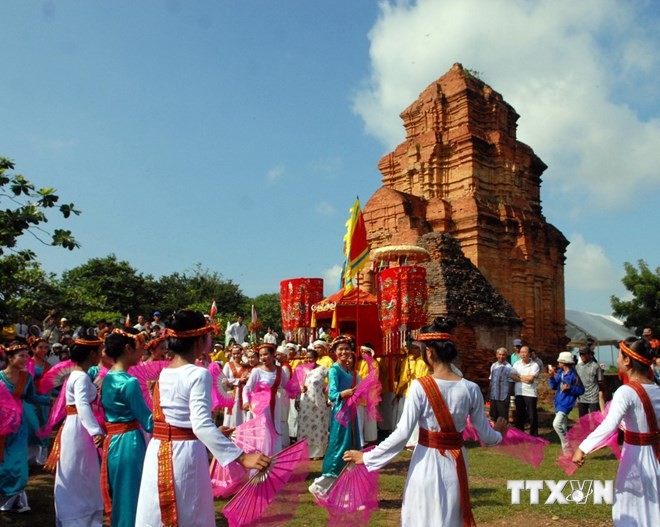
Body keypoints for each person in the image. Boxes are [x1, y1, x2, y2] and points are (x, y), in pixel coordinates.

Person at [344, 318, 508, 527]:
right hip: (456, 464)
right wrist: (499, 433)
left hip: (426, 462)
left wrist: (368, 457)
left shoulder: (420, 387)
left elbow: (403, 433)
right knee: (450, 516)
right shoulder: (471, 388)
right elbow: (486, 435)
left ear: (429, 352)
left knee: (422, 516)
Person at [135, 310, 270, 527]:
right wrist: (242, 457)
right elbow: (200, 424)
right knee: (189, 511)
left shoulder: (164, 373)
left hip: (158, 450)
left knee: (159, 512)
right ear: (199, 341)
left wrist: (214, 433)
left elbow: (181, 420)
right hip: (184, 454)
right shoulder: (198, 374)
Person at [572, 339, 659, 526]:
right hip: (657, 458)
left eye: (620, 355)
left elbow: (609, 425)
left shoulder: (626, 392)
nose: (618, 359)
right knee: (654, 506)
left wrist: (583, 447)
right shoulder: (657, 390)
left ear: (627, 361)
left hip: (636, 460)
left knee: (628, 506)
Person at [50, 334, 106, 527]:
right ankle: (76, 515)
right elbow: (82, 404)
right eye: (99, 351)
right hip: (79, 428)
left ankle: (84, 513)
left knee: (83, 470)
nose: (101, 354)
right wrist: (96, 431)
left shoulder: (78, 375)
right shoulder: (81, 377)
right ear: (92, 354)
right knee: (78, 470)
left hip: (77, 426)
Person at [100, 328, 154, 527]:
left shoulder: (109, 377)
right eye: (140, 349)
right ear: (128, 348)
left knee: (122, 493)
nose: (142, 354)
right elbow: (148, 422)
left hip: (114, 441)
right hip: (129, 441)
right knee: (132, 494)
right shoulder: (129, 382)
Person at [308, 335, 361, 498]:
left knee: (351, 445)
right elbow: (332, 394)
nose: (344, 352)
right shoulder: (334, 370)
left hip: (350, 411)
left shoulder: (349, 370)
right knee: (339, 447)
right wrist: (342, 394)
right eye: (341, 349)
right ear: (335, 352)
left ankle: (345, 488)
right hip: (340, 412)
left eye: (347, 348)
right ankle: (320, 485)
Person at [0, 343, 51, 512]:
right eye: (21, 356)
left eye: (26, 356)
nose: (25, 360)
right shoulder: (0, 377)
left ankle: (15, 498)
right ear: (10, 358)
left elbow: (30, 397)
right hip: (1, 426)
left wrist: (51, 401)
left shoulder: (26, 378)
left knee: (18, 460)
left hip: (18, 426)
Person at [243, 343, 290, 453]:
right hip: (260, 406)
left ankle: (273, 459)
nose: (263, 358)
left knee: (274, 428)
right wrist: (246, 402)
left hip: (274, 404)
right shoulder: (257, 371)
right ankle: (260, 457)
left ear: (273, 355)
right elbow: (247, 388)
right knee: (262, 430)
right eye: (261, 355)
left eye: (265, 354)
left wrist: (298, 388)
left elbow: (286, 385)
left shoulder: (280, 370)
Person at [296, 348, 330, 459]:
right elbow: (296, 386)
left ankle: (318, 453)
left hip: (318, 402)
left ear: (316, 358)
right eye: (306, 357)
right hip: (304, 402)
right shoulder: (301, 370)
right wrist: (297, 399)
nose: (308, 359)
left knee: (318, 425)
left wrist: (327, 392)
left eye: (311, 357)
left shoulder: (323, 369)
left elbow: (333, 381)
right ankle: (305, 452)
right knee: (304, 426)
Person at [548, 351, 584, 452]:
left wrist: (569, 387)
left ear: (564, 362)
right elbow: (554, 386)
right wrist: (551, 376)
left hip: (566, 403)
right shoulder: (560, 373)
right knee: (562, 426)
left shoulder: (573, 375)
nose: (558, 363)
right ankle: (567, 453)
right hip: (558, 402)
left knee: (556, 424)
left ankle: (567, 444)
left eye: (560, 361)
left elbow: (581, 390)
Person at [510, 345, 540, 436]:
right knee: (519, 415)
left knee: (532, 416)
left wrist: (519, 377)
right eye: (521, 352)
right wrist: (524, 379)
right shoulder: (516, 364)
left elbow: (530, 379)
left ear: (529, 354)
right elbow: (512, 376)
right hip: (519, 392)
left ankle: (533, 435)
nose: (523, 354)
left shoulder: (534, 365)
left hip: (530, 393)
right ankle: (520, 434)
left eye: (525, 352)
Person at [575, 346, 605, 416]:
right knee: (583, 421)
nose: (582, 356)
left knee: (595, 420)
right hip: (581, 398)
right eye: (580, 354)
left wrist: (601, 396)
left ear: (589, 354)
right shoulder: (578, 367)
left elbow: (601, 382)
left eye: (584, 354)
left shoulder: (595, 366)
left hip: (593, 398)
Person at [488, 347, 513, 422]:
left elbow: (511, 383)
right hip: (493, 396)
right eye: (499, 354)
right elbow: (491, 380)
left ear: (506, 356)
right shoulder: (493, 366)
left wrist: (508, 397)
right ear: (496, 355)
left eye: (503, 355)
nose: (501, 357)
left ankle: (503, 434)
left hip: (503, 397)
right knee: (493, 417)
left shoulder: (509, 367)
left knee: (502, 419)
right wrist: (489, 393)